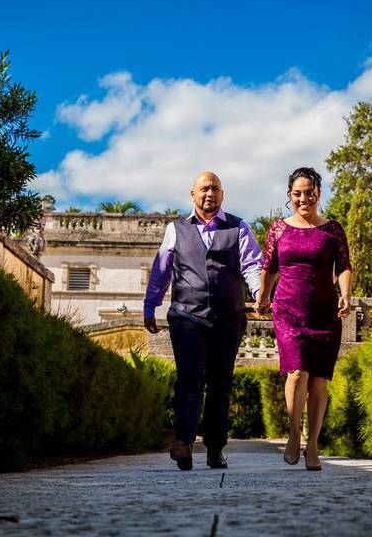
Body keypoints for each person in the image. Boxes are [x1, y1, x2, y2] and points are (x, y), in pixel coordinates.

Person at [144, 171, 263, 471]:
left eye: (215, 189)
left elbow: (252, 264)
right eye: (204, 188)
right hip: (187, 316)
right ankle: (183, 442)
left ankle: (215, 448)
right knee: (190, 378)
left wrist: (260, 294)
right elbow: (161, 270)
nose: (210, 193)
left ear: (223, 194)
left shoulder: (238, 227)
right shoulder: (176, 229)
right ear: (193, 194)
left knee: (221, 383)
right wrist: (150, 306)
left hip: (228, 317)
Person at [254, 167, 352, 471]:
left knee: (319, 380)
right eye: (297, 194)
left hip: (324, 311)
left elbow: (344, 265)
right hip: (288, 310)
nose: (303, 198)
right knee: (297, 372)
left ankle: (313, 445)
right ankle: (294, 433)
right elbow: (270, 267)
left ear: (318, 193)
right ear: (290, 196)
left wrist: (346, 294)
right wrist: (263, 297)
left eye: (309, 192)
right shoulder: (278, 229)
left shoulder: (332, 229)